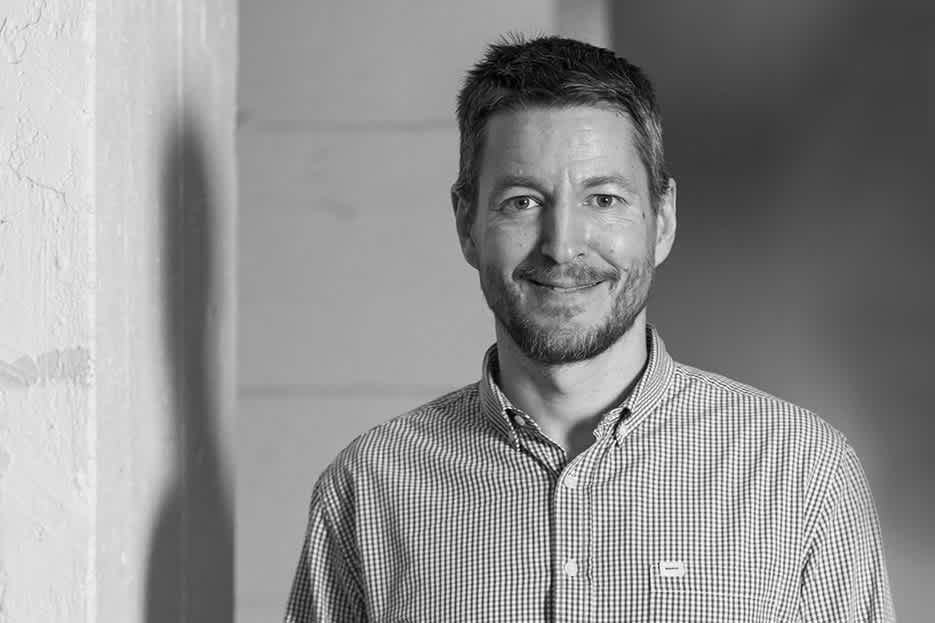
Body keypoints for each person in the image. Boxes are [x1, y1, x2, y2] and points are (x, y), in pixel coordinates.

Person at [284, 35, 894, 622]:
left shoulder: (801, 473)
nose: (562, 245)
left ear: (662, 220)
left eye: (603, 199)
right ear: (467, 224)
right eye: (523, 201)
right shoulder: (368, 487)